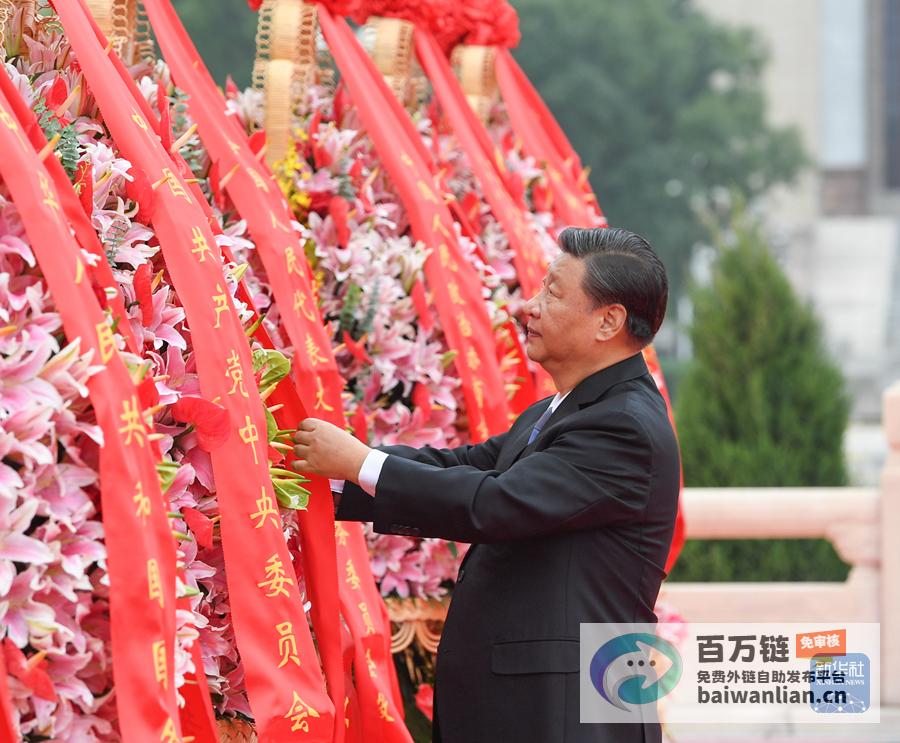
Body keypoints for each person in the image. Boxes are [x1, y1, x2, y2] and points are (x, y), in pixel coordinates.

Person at [293, 226, 681, 743]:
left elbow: (495, 504)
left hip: (561, 713)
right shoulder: (560, 409)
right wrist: (323, 478)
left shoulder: (623, 427)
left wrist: (360, 461)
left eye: (554, 293)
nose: (530, 306)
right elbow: (463, 465)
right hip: (526, 706)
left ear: (608, 321)